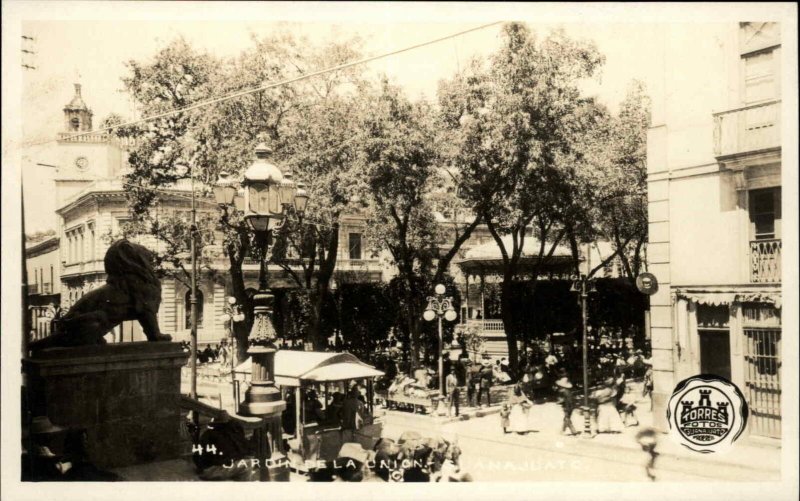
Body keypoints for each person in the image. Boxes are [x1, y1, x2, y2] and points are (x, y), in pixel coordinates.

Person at [555, 369, 578, 436]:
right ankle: (568, 431)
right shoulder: (566, 391)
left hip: (567, 406)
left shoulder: (564, 391)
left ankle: (568, 431)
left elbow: (565, 400)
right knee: (567, 418)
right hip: (568, 405)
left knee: (566, 418)